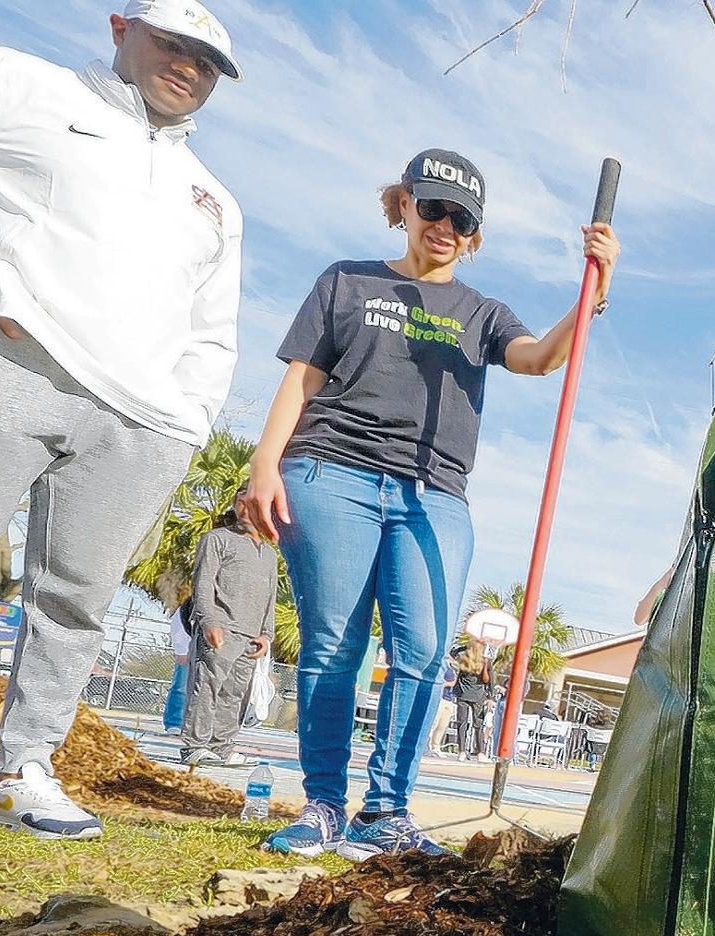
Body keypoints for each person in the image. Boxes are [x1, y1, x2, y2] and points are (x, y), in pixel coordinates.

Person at [242, 150, 619, 859]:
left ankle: (385, 812)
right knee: (334, 643)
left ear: (474, 235)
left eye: (463, 219)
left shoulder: (481, 312)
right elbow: (302, 379)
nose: (446, 226)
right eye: (434, 208)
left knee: (421, 651)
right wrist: (265, 462)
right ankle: (324, 806)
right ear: (404, 205)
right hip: (333, 471)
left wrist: (591, 294)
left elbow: (540, 358)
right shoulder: (346, 281)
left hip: (434, 489)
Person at [0, 3, 244, 841]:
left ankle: (23, 772)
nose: (189, 67)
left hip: (138, 423)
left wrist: (187, 424)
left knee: (75, 602)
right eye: (173, 43)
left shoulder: (214, 199)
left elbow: (213, 328)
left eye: (209, 62)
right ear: (119, 28)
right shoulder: (19, 83)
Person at [180, 491, 277, 767]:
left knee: (235, 694)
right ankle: (195, 747)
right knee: (205, 688)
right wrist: (209, 621)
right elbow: (202, 583)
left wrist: (267, 634)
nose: (244, 510)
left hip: (251, 638)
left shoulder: (269, 555)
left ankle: (221, 747)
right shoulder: (217, 539)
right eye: (240, 504)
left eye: (251, 505)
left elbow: (271, 597)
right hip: (220, 631)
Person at [452, 640, 493, 759]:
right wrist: (490, 696)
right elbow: (489, 680)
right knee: (478, 724)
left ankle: (462, 751)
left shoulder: (463, 659)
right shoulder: (485, 661)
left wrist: (463, 647)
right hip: (478, 694)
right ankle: (480, 752)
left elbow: (452, 653)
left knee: (462, 723)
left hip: (463, 693)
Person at [163, 606, 193, 733]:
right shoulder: (189, 603)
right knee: (181, 685)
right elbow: (179, 622)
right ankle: (175, 722)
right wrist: (181, 650)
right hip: (188, 648)